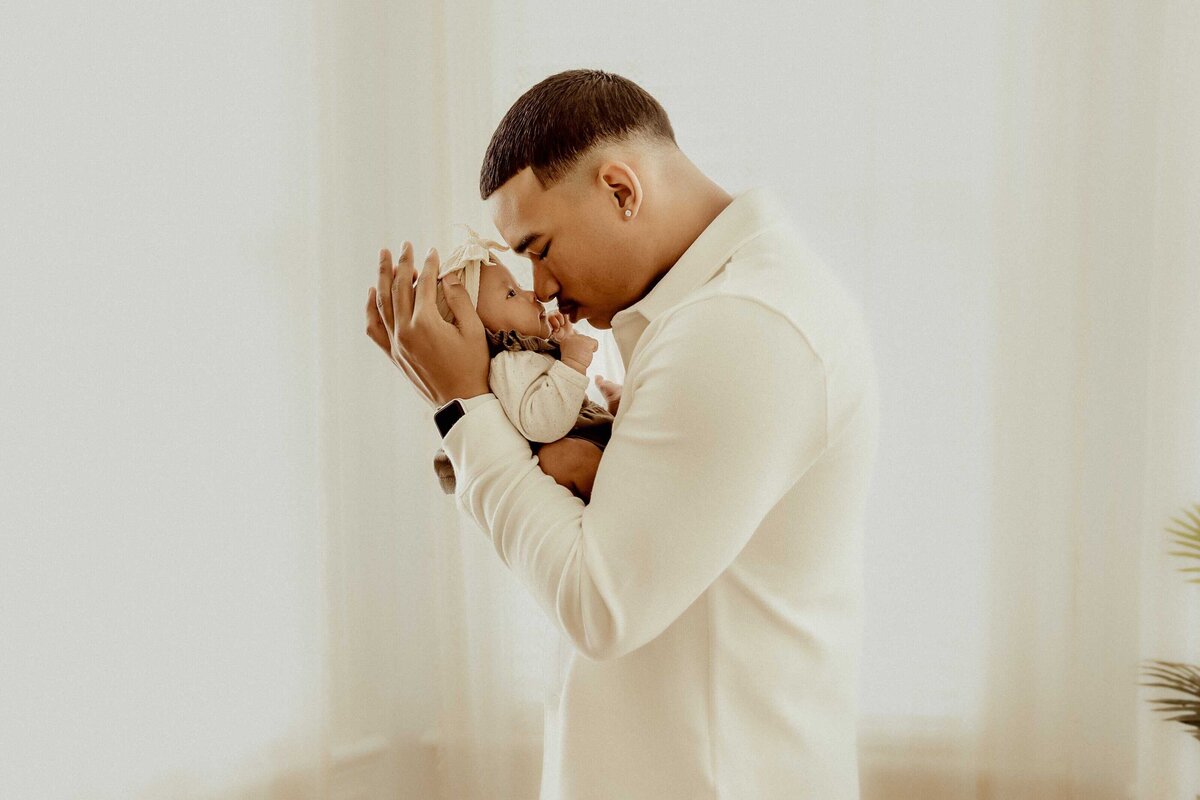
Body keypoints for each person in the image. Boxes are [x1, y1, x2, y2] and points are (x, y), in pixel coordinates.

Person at [364, 68, 880, 800]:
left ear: (620, 190)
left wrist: (461, 408)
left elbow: (599, 606)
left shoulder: (739, 326)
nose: (538, 288)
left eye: (539, 247)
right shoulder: (707, 313)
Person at [429, 223, 614, 502]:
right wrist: (572, 363)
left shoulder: (524, 354)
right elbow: (543, 422)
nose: (531, 295)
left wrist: (560, 344)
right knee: (565, 459)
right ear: (484, 331)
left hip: (589, 431)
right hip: (573, 443)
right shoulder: (506, 363)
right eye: (511, 294)